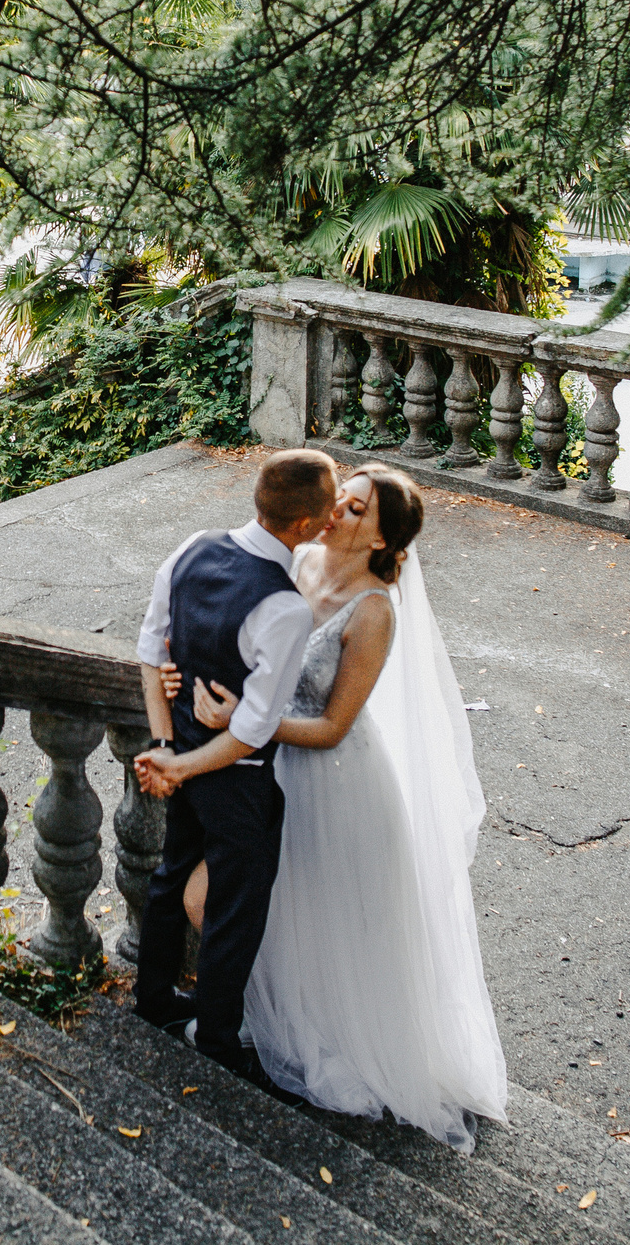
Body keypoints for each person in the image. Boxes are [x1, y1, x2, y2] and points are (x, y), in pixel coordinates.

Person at [140, 468, 509, 1151]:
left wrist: (249, 722)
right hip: (260, 767)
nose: (338, 506)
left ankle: (299, 1033)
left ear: (382, 535)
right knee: (213, 899)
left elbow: (335, 724)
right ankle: (261, 1021)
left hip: (333, 779)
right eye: (343, 492)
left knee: (307, 919)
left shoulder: (375, 610)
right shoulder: (298, 557)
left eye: (358, 505)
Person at [128, 449, 335, 1081]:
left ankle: (153, 1001)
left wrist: (165, 748)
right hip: (235, 783)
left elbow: (148, 649)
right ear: (303, 526)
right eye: (327, 510)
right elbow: (250, 732)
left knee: (169, 880)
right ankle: (215, 1040)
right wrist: (182, 766)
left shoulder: (195, 545)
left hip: (182, 756)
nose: (331, 521)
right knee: (234, 914)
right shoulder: (284, 609)